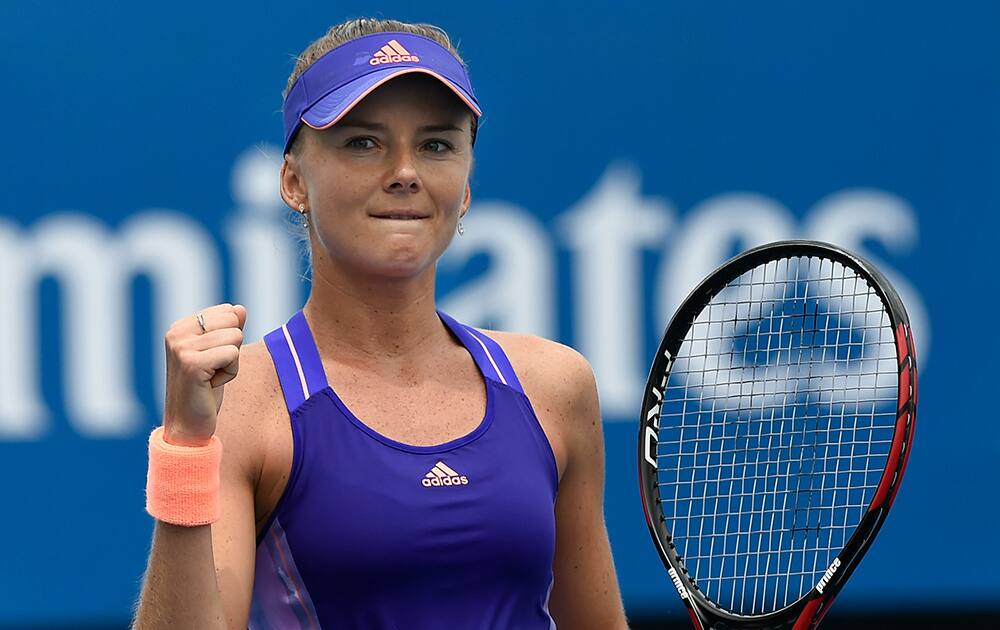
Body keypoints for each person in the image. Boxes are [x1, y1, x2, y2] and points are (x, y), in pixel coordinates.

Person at [133, 18, 628, 629]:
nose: (405, 170)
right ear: (293, 181)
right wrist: (185, 448)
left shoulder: (555, 386)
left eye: (436, 144)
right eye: (363, 142)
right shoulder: (244, 402)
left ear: (466, 185)